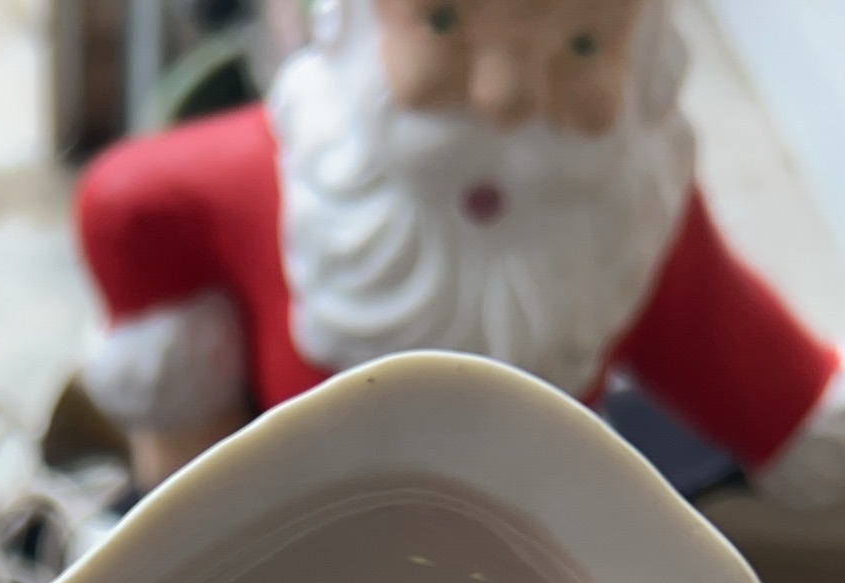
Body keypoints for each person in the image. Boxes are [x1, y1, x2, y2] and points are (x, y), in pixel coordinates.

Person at [75, 0, 845, 498]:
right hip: (299, 533)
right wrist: (185, 440)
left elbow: (769, 387)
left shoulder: (632, 218)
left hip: (529, 550)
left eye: (579, 46)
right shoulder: (287, 185)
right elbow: (129, 207)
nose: (502, 96)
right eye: (443, 25)